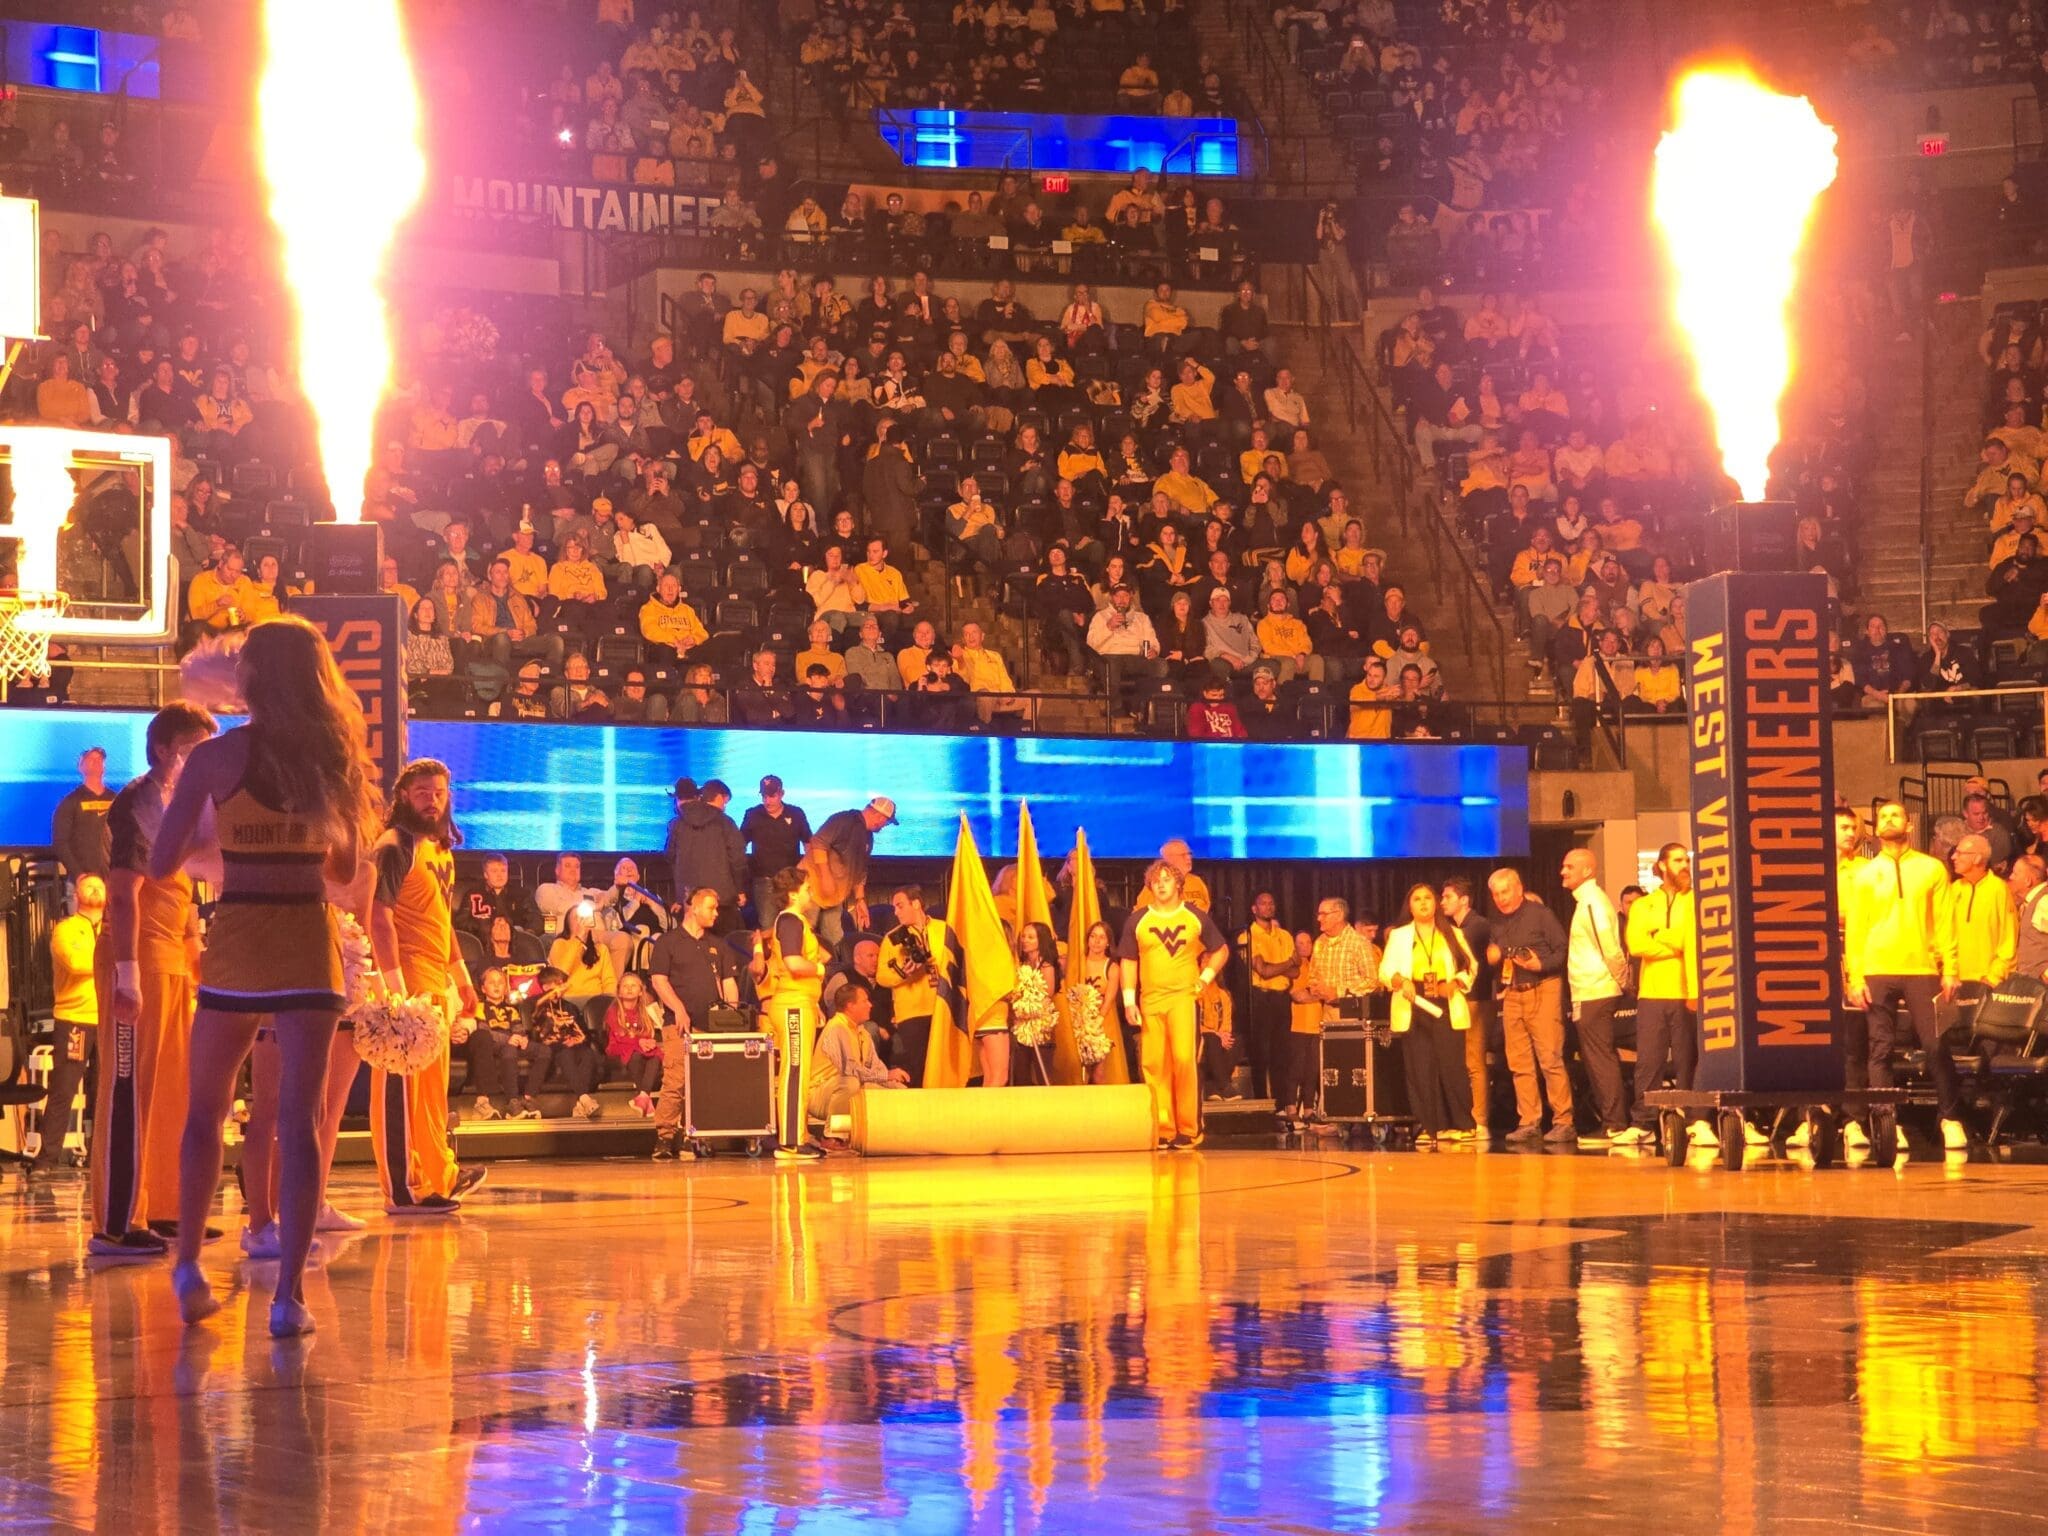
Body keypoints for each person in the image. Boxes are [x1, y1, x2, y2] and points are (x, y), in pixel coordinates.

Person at [149, 615, 382, 1335]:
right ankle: (289, 1298)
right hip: (306, 941)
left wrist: (221, 840)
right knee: (299, 1122)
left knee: (206, 1112)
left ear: (251, 676)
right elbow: (343, 870)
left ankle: (189, 1264)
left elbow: (161, 862)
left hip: (239, 938)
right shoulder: (332, 761)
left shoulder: (216, 759)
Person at [88, 704, 216, 1256]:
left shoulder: (184, 805)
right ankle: (117, 1223)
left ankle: (164, 1206)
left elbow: (185, 895)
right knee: (131, 1088)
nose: (203, 759)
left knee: (172, 1092)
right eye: (193, 748)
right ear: (164, 748)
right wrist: (127, 974)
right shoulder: (139, 800)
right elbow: (122, 893)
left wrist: (198, 961)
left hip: (172, 961)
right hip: (136, 957)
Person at [368, 759, 483, 1217]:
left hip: (435, 982)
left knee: (432, 1093)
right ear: (403, 796)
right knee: (403, 1092)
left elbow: (442, 918)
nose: (432, 801)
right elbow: (378, 916)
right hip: (408, 982)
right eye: (421, 793)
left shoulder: (438, 848)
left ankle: (441, 1176)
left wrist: (462, 978)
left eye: (438, 792)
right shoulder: (394, 844)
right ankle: (404, 1187)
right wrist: (395, 990)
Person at [1844, 801, 1965, 1153]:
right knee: (1879, 1048)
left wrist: (1951, 968)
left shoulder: (1931, 868)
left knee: (1935, 1044)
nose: (1888, 820)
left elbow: (1945, 921)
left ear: (1909, 825)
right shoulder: (1865, 874)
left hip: (1921, 968)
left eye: (1895, 815)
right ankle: (1887, 1121)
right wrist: (1855, 976)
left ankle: (1950, 1118)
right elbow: (1856, 930)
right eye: (1882, 817)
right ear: (1876, 828)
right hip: (1876, 968)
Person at [1119, 860, 1230, 1149]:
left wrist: (1204, 979)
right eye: (1156, 880)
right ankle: (1164, 1128)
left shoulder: (1194, 916)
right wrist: (1129, 1001)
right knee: (1154, 1064)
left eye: (1167, 879)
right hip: (1151, 1000)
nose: (1161, 884)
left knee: (1183, 1059)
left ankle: (1190, 1129)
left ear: (1179, 884)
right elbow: (1128, 960)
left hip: (1183, 998)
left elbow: (1221, 950)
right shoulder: (1138, 920)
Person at [1380, 883, 1479, 1145]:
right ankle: (1430, 1127)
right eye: (1417, 899)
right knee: (1420, 1069)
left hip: (1445, 1002)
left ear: (1436, 904)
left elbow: (1471, 966)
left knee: (1451, 1065)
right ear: (1410, 906)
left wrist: (1455, 983)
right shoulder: (1399, 936)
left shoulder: (1453, 933)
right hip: (1414, 1002)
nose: (1423, 903)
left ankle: (1463, 1124)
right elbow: (1385, 971)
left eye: (1428, 898)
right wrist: (1401, 981)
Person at [646, 886, 740, 1161]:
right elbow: (659, 980)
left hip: (711, 1026)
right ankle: (664, 1137)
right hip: (678, 1026)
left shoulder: (719, 945)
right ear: (694, 908)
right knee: (675, 1081)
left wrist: (731, 1017)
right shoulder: (668, 942)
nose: (716, 913)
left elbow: (729, 983)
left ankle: (697, 1136)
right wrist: (679, 1009)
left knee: (706, 1084)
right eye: (711, 907)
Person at [1485, 868, 1574, 1143]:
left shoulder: (1540, 915)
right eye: (1496, 894)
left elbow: (1562, 950)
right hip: (1513, 992)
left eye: (1505, 892)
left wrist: (1540, 964)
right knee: (1519, 1062)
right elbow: (1496, 955)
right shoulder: (1496, 923)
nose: (1501, 898)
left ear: (1519, 889)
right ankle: (1529, 1121)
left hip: (1544, 988)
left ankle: (1563, 1121)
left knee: (1550, 1058)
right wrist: (1492, 956)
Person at [1619, 843, 1699, 1151]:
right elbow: (1637, 945)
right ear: (1663, 865)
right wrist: (1675, 944)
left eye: (1685, 860)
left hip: (1686, 992)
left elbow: (1693, 940)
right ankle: (1643, 1123)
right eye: (1678, 860)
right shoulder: (1643, 905)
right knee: (1648, 1061)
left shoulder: (1696, 901)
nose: (1684, 865)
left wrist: (1660, 936)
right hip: (1651, 994)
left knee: (1686, 1060)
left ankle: (1691, 1121)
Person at [35, 875, 103, 1182]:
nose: (95, 889)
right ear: (76, 894)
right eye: (89, 885)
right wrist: (112, 960)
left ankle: (99, 1158)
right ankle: (46, 1159)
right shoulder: (65, 929)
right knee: (63, 1090)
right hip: (74, 1020)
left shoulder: (114, 929)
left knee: (104, 1093)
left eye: (100, 886)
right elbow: (76, 963)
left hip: (109, 1020)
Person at [1560, 848, 1630, 1147]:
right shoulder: (1586, 902)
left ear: (1588, 871)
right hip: (1589, 991)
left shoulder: (1593, 903)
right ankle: (1613, 1122)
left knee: (1600, 1059)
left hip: (1596, 992)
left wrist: (1624, 982)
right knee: (1596, 1059)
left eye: (1569, 867)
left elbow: (1610, 949)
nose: (1563, 872)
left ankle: (1615, 1125)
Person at [763, 865, 829, 1160]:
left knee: (800, 1071)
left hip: (800, 1002)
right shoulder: (790, 920)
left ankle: (798, 1134)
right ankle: (790, 1141)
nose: (811, 894)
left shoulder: (796, 921)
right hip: (792, 1004)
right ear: (793, 894)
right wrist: (820, 968)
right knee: (794, 1070)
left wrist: (814, 1003)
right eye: (807, 889)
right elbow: (793, 963)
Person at [807, 979, 908, 1141]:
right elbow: (850, 1071)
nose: (870, 1005)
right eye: (865, 1001)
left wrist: (894, 1083)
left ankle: (886, 1137)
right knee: (850, 1082)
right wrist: (887, 1075)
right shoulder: (836, 1029)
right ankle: (833, 1136)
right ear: (850, 1006)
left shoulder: (863, 1033)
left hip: (852, 1087)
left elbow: (877, 1070)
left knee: (898, 1091)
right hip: (821, 1094)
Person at [800, 796, 896, 947]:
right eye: (887, 822)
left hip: (834, 895)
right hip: (810, 887)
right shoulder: (843, 820)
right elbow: (818, 842)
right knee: (804, 932)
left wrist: (860, 899)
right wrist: (826, 877)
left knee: (834, 937)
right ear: (880, 816)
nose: (885, 825)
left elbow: (860, 870)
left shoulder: (868, 837)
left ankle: (835, 961)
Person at [1439, 877, 1494, 1140]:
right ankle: (1464, 1117)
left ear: (1464, 900)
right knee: (1462, 1060)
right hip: (1461, 1000)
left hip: (1475, 999)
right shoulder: (1457, 928)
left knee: (1474, 1060)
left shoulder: (1476, 926)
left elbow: (1468, 966)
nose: (1442, 902)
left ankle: (1480, 1120)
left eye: (1447, 897)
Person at [879, 885, 948, 1085]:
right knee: (919, 1067)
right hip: (912, 1013)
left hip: (942, 1007)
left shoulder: (944, 929)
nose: (895, 912)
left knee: (944, 1066)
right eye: (894, 907)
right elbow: (882, 977)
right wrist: (904, 973)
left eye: (900, 906)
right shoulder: (892, 938)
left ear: (916, 904)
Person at [1237, 889, 1296, 1102]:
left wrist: (1278, 967)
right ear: (1254, 909)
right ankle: (1261, 1100)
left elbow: (1296, 972)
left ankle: (1282, 1103)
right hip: (1260, 998)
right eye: (1263, 903)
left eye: (1271, 903)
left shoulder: (1285, 935)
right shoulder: (1248, 936)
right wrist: (1288, 963)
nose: (1268, 907)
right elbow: (1263, 971)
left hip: (1282, 997)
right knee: (1261, 1053)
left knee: (1282, 1054)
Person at [669, 778, 747, 927]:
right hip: (722, 898)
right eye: (725, 802)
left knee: (693, 939)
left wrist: (679, 894)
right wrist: (740, 890)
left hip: (690, 898)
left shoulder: (677, 823)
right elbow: (737, 858)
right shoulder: (725, 822)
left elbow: (670, 855)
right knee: (724, 939)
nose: (724, 807)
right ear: (719, 798)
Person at [741, 775, 811, 926]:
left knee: (794, 922)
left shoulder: (796, 813)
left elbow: (808, 844)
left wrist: (805, 872)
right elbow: (741, 844)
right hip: (764, 880)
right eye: (764, 796)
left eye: (771, 796)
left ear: (781, 794)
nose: (767, 801)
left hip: (791, 882)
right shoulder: (752, 814)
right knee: (767, 924)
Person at [51, 746, 114, 891]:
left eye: (100, 759)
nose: (96, 762)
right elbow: (61, 842)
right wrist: (79, 874)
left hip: (112, 880)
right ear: (81, 766)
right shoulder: (70, 802)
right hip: (83, 882)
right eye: (91, 759)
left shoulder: (115, 800)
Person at [603, 974, 665, 1117]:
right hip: (619, 1048)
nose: (629, 989)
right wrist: (640, 1042)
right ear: (619, 992)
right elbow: (620, 1036)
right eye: (625, 986)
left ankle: (643, 1097)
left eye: (633, 986)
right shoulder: (613, 1011)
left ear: (641, 991)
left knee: (655, 1056)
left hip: (640, 1047)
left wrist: (649, 1042)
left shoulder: (645, 1011)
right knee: (636, 1055)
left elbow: (648, 1033)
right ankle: (645, 1099)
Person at [1280, 931, 1324, 1130]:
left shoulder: (1316, 966)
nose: (1305, 946)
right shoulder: (1294, 969)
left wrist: (1315, 994)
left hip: (1317, 1026)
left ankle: (1308, 1109)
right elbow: (1298, 996)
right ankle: (1290, 1107)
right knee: (1296, 1068)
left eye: (1308, 942)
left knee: (1312, 1070)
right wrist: (1320, 995)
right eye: (1300, 943)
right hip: (1297, 1025)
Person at [1009, 922, 1060, 1087]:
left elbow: (1048, 994)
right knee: (1021, 1073)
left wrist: (1029, 1007)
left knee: (1042, 1072)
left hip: (1040, 1026)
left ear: (1041, 940)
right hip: (1021, 1026)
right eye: (1024, 936)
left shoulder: (1046, 965)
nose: (1025, 940)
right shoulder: (1021, 964)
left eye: (1031, 937)